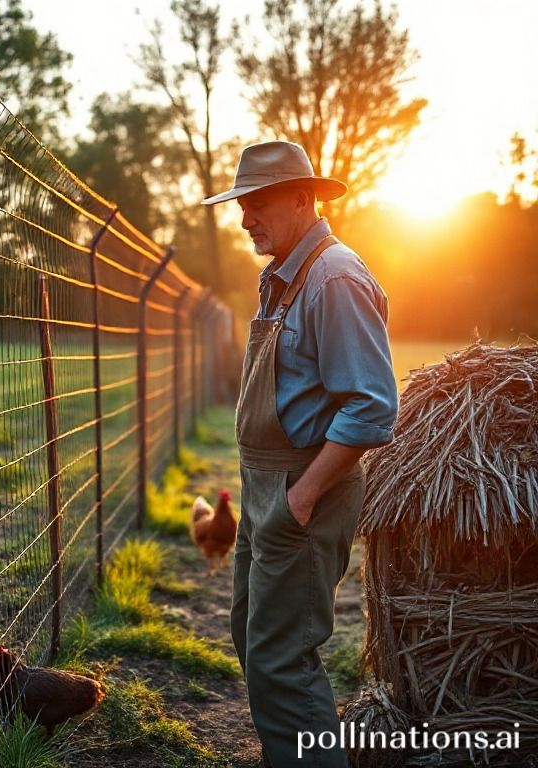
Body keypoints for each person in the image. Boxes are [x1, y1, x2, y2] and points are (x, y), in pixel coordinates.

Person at [202, 141, 398, 768]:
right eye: (241, 204)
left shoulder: (333, 278)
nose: (244, 218)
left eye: (256, 203)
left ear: (300, 197)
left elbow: (371, 408)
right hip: (267, 489)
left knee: (282, 659)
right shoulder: (286, 275)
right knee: (253, 637)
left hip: (301, 492)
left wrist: (303, 496)